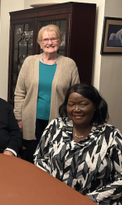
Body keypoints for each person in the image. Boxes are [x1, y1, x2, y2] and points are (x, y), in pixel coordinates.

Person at [34, 83, 122, 205]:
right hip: (58, 197)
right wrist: (53, 187)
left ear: (95, 106)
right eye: (71, 104)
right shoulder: (56, 126)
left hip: (97, 201)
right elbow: (39, 158)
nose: (76, 109)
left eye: (83, 104)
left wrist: (91, 198)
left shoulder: (111, 135)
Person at [14, 24, 80, 163]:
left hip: (59, 121)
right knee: (32, 159)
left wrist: (73, 120)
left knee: (55, 159)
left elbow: (76, 96)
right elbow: (19, 92)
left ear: (60, 41)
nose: (49, 42)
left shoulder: (69, 64)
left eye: (54, 38)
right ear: (39, 43)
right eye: (45, 39)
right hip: (31, 121)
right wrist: (19, 118)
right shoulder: (29, 62)